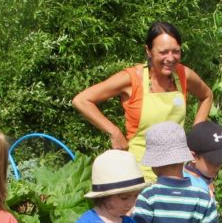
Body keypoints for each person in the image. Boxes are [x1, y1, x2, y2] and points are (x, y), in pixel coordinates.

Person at [72, 22, 214, 181]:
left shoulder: (183, 75)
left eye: (176, 51)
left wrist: (196, 136)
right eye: (163, 52)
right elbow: (82, 100)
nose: (170, 58)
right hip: (139, 175)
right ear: (148, 51)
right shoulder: (132, 79)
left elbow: (207, 96)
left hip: (178, 173)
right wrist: (114, 132)